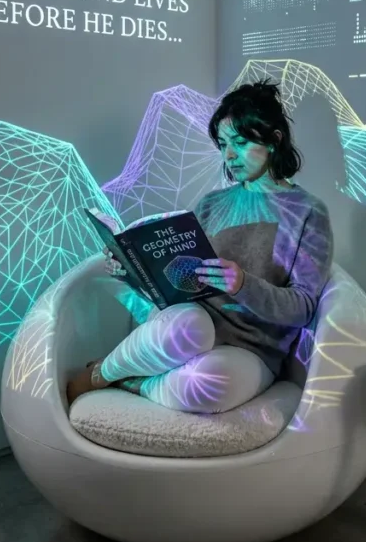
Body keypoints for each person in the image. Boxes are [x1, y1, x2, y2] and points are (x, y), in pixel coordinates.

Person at [66, 80, 333, 413]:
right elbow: (179, 279)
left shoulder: (308, 212)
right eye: (223, 144)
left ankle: (134, 381)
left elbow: (305, 308)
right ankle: (100, 375)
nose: (229, 155)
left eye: (240, 141)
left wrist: (242, 284)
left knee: (206, 385)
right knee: (190, 325)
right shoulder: (211, 204)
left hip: (250, 349)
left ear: (275, 140)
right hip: (189, 327)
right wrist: (133, 271)